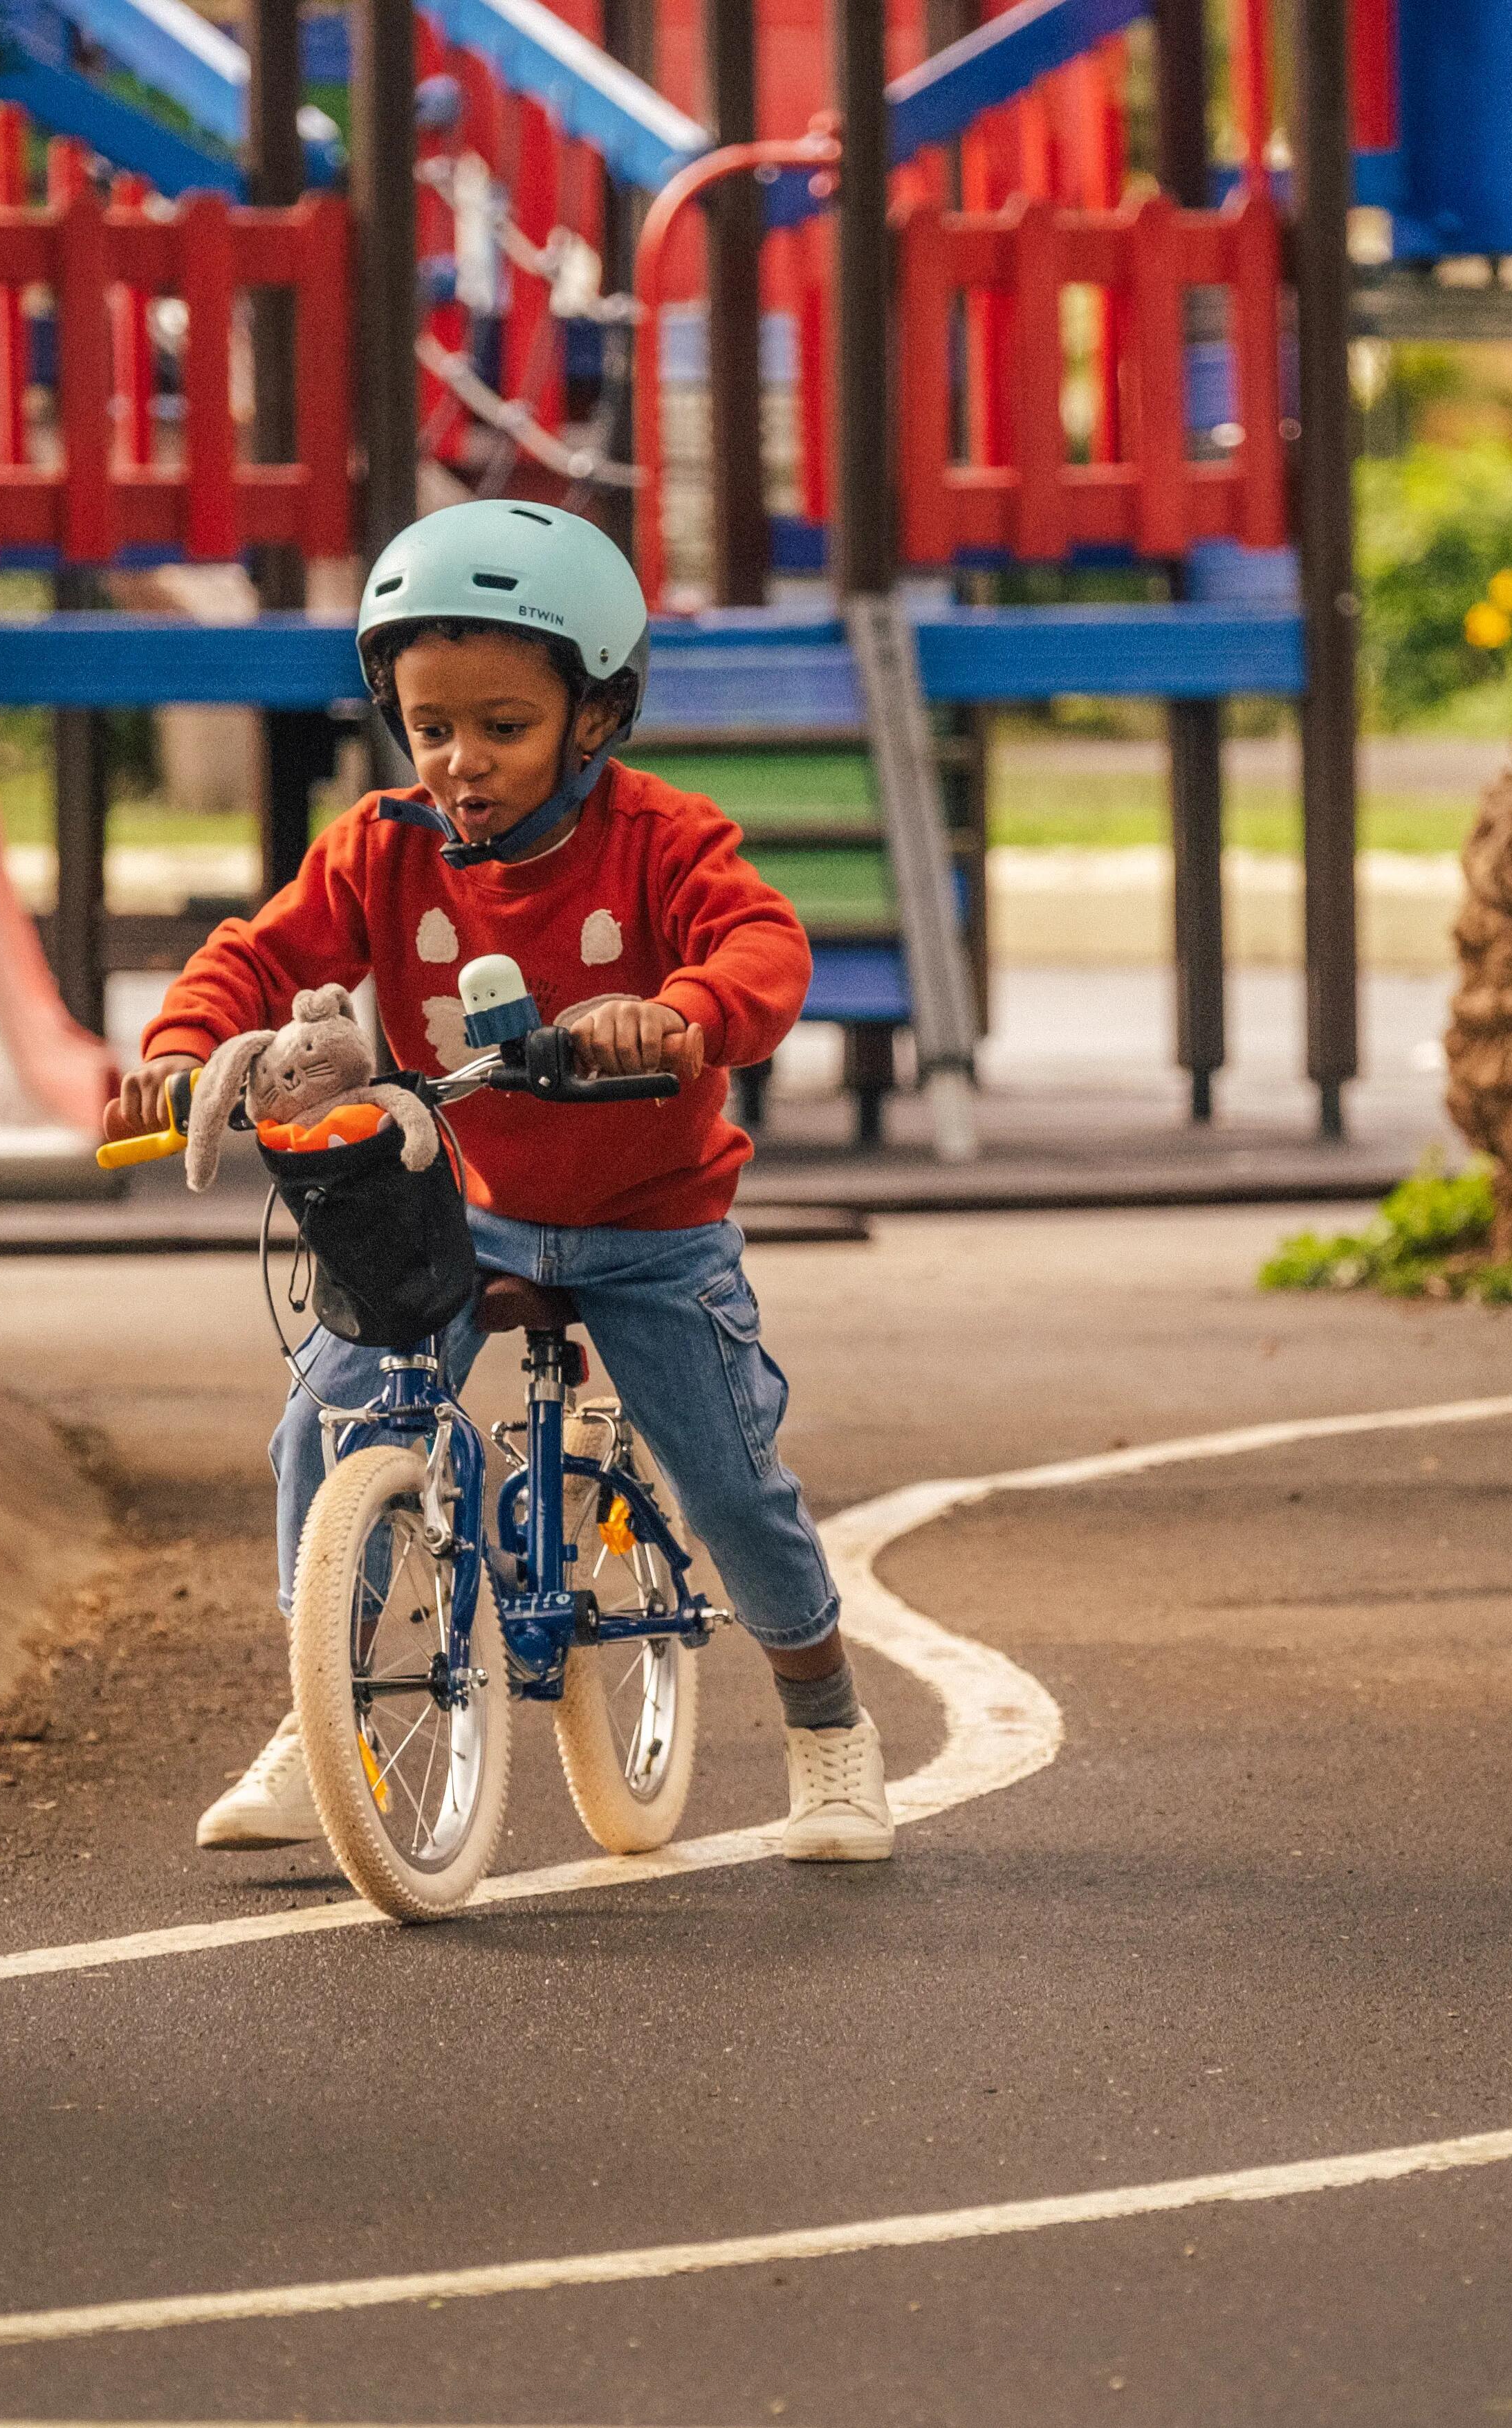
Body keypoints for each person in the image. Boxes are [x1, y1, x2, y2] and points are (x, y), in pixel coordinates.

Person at [116, 497, 889, 1862]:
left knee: (729, 1485)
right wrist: (183, 1052)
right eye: (431, 726)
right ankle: (324, 1714)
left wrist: (688, 1012)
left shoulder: (660, 840)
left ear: (593, 717)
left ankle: (827, 1731)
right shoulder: (385, 848)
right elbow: (257, 952)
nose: (460, 761)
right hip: (461, 1209)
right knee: (328, 1414)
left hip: (653, 1227)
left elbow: (763, 945)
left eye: (504, 726)